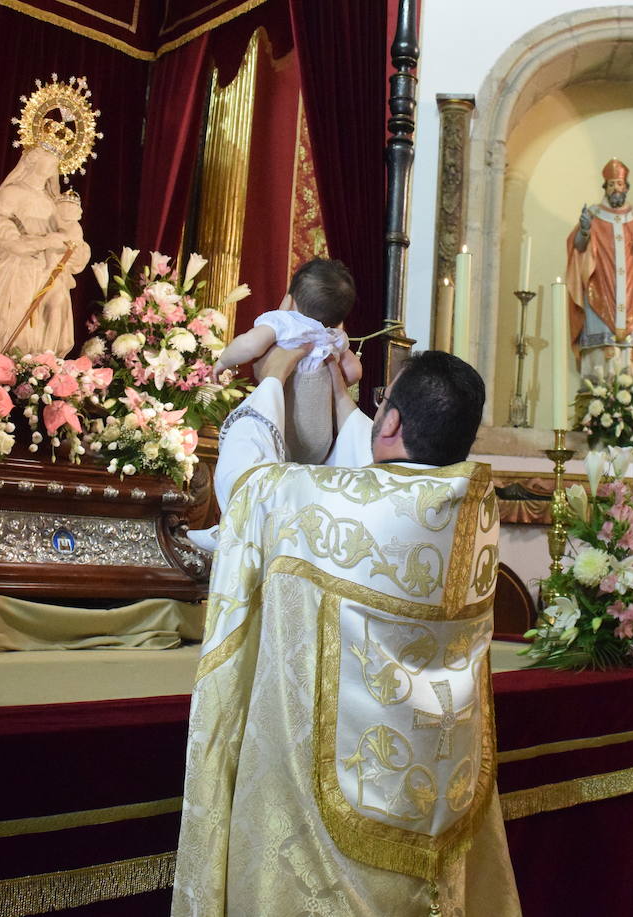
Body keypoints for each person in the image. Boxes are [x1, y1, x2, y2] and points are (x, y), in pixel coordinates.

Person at [172, 347, 521, 917]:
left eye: (384, 405)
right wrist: (347, 402)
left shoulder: (306, 503)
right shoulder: (475, 510)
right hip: (433, 794)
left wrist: (273, 382)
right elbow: (384, 476)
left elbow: (249, 483)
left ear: (394, 423)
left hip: (336, 831)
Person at [213, 258, 364, 464]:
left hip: (282, 431)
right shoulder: (333, 336)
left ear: (290, 300)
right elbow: (354, 371)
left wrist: (223, 361)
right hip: (321, 441)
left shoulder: (284, 322)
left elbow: (250, 345)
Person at [0, 145, 89, 356]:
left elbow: (72, 236)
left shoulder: (54, 201)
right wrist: (42, 242)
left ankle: (47, 366)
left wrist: (76, 249)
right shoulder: (12, 192)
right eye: (51, 156)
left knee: (55, 307)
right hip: (21, 267)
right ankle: (18, 368)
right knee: (19, 319)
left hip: (52, 269)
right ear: (32, 159)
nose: (55, 163)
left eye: (57, 158)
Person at [565, 157, 633, 373]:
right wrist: (584, 231)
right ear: (606, 188)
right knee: (599, 359)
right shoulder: (592, 215)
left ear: (626, 187)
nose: (615, 189)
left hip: (629, 299)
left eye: (619, 184)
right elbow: (577, 251)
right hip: (598, 292)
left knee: (626, 359)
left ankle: (629, 393)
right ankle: (593, 394)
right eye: (611, 185)